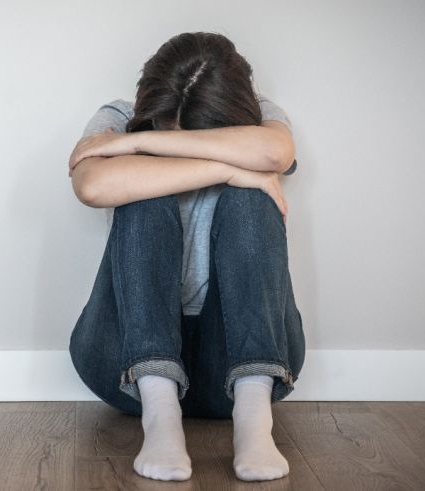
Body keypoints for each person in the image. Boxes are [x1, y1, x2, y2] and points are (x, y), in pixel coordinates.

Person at [67, 31, 306, 483]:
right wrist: (228, 168)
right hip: (124, 365)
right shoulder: (119, 117)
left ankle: (255, 421)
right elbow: (93, 186)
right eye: (162, 131)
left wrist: (142, 146)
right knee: (143, 193)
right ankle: (160, 419)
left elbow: (275, 151)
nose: (166, 137)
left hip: (236, 361)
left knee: (252, 200)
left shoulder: (262, 118)